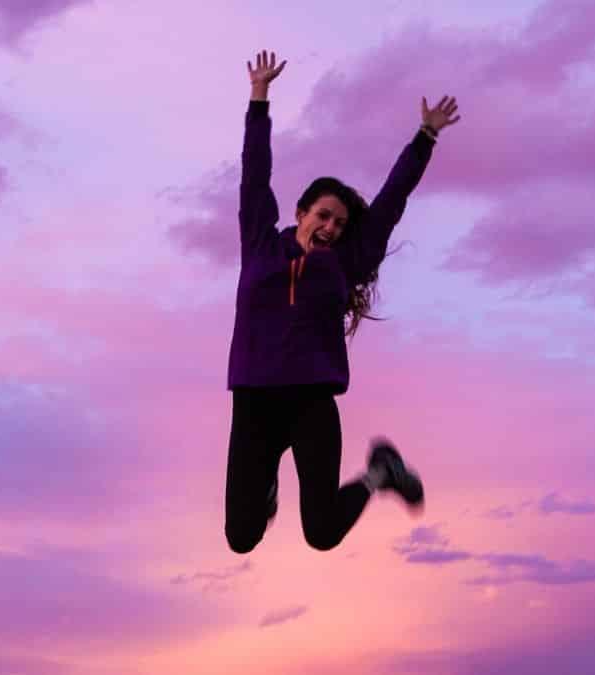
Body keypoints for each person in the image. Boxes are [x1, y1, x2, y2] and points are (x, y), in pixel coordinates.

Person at [225, 49, 460, 554]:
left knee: (322, 533)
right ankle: (265, 488)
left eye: (339, 223)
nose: (331, 227)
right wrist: (259, 98)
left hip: (311, 401)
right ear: (301, 213)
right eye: (324, 216)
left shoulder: (344, 264)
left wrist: (426, 137)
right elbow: (254, 175)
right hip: (254, 403)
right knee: (241, 538)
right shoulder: (260, 246)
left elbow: (392, 201)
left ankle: (380, 474)